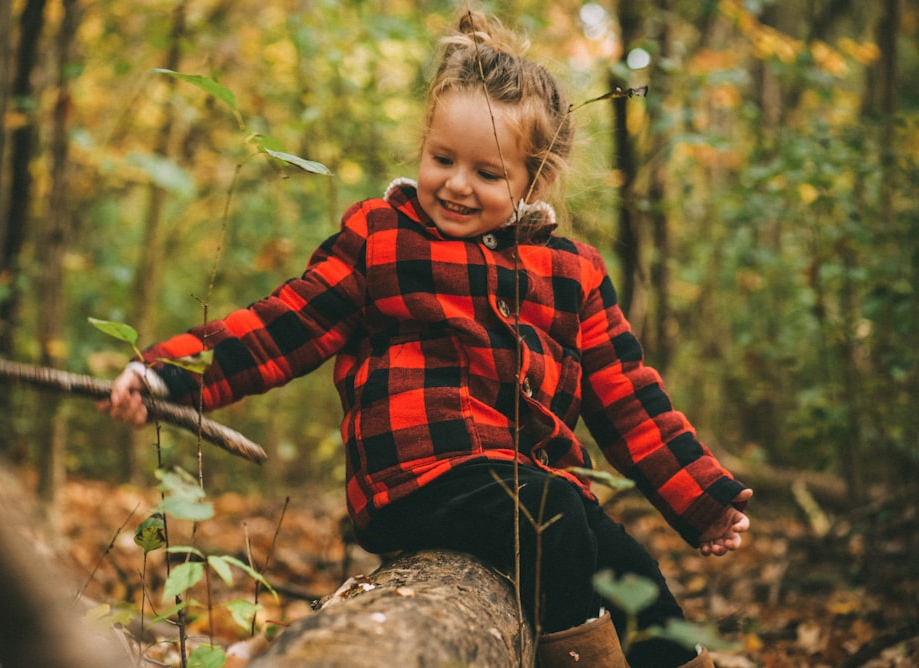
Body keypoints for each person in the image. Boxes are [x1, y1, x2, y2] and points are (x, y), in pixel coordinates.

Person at [100, 10, 752, 667]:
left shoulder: (572, 272)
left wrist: (702, 498)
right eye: (443, 159)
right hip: (415, 477)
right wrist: (169, 375)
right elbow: (285, 323)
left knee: (626, 563)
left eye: (488, 173)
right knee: (553, 510)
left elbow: (627, 397)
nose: (457, 184)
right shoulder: (384, 238)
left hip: (532, 486)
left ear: (536, 178)